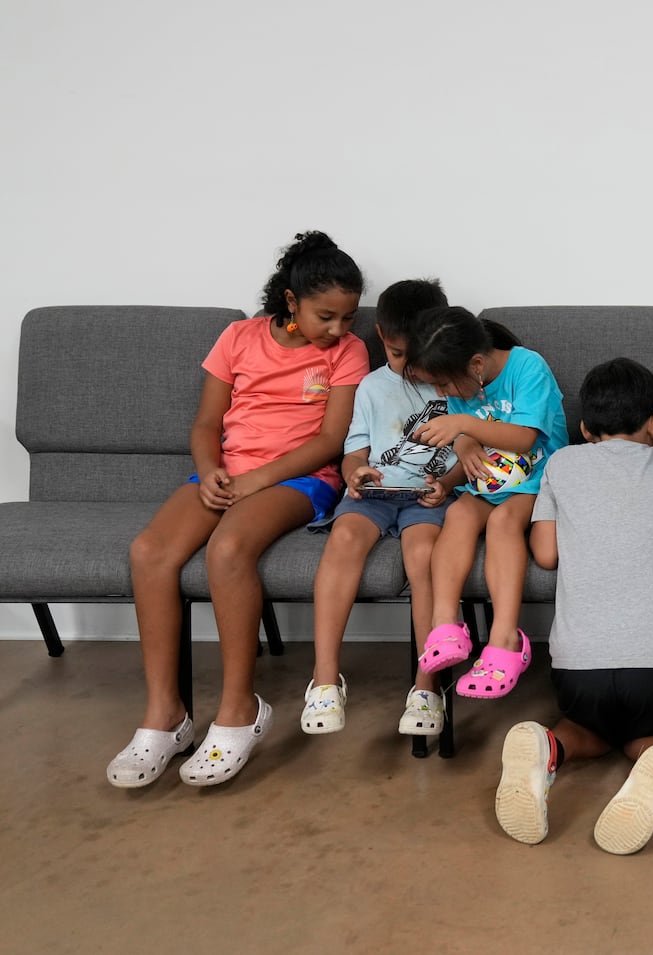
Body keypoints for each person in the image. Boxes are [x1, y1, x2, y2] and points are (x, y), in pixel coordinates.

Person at [107, 231, 368, 788]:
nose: (339, 329)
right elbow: (205, 424)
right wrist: (212, 473)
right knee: (149, 552)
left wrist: (255, 481)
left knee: (229, 548)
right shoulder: (238, 337)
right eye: (327, 316)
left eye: (347, 318)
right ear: (291, 301)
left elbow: (330, 440)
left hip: (299, 477)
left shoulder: (348, 353)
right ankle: (165, 715)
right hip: (226, 470)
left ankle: (239, 711)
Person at [495, 358, 653, 854]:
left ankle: (548, 748)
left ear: (586, 428)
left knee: (583, 728)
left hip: (580, 665)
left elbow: (545, 556)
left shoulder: (563, 463)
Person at [301, 278, 466, 738]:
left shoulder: (454, 387)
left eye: (419, 359)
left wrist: (447, 484)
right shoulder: (372, 387)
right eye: (397, 355)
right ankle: (325, 679)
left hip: (428, 499)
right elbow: (355, 450)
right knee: (345, 537)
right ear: (382, 340)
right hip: (374, 494)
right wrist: (355, 472)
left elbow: (473, 456)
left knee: (422, 556)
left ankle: (426, 686)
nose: (411, 369)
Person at [406, 306, 566, 698]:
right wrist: (447, 480)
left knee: (502, 522)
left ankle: (505, 639)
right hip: (488, 483)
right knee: (459, 512)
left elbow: (526, 438)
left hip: (539, 480)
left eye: (443, 384)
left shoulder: (528, 367)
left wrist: (462, 427)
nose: (441, 395)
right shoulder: (464, 387)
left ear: (476, 364)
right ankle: (444, 627)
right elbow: (475, 457)